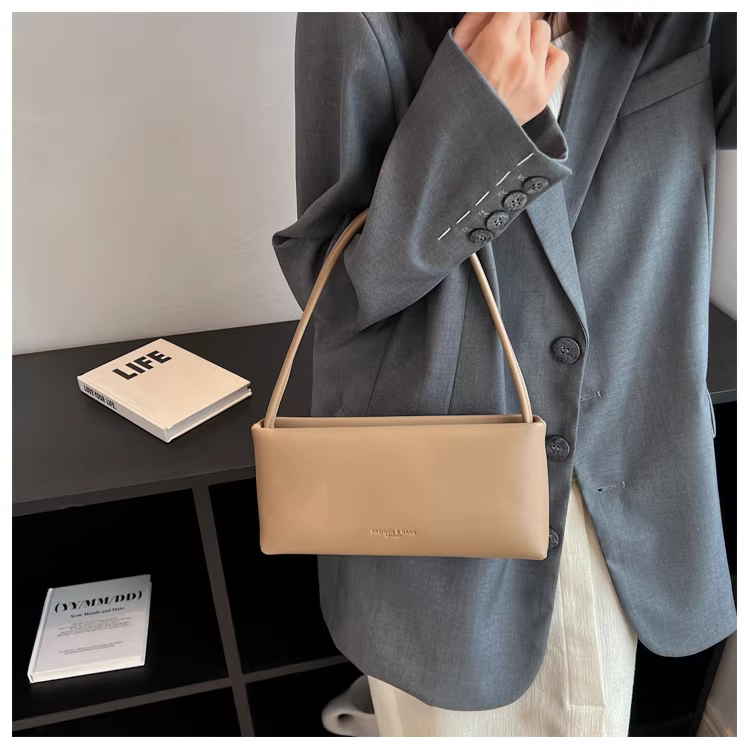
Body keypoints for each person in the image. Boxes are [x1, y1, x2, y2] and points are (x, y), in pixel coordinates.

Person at [271, 11, 737, 737]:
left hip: (621, 496)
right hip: (443, 520)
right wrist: (474, 124)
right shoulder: (359, 19)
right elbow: (340, 291)